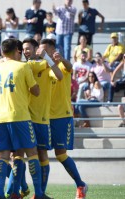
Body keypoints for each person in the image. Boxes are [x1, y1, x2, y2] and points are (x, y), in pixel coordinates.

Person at [0, 38, 43, 199]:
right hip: (20, 117)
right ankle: (38, 193)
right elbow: (36, 91)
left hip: (1, 119)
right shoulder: (23, 66)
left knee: (3, 156)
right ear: (17, 51)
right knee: (32, 153)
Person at [49, 41, 88, 198]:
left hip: (61, 116)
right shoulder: (41, 68)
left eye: (47, 50)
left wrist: (62, 59)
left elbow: (70, 67)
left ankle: (80, 184)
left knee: (60, 154)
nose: (44, 53)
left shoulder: (62, 66)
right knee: (37, 154)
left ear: (54, 51)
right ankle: (38, 193)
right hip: (42, 117)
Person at [25, 38, 63, 198]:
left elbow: (60, 76)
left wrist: (47, 58)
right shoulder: (24, 66)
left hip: (40, 119)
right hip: (23, 118)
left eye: (30, 49)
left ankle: (39, 193)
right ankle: (17, 190)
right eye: (24, 49)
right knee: (17, 155)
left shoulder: (47, 67)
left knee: (42, 154)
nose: (27, 51)